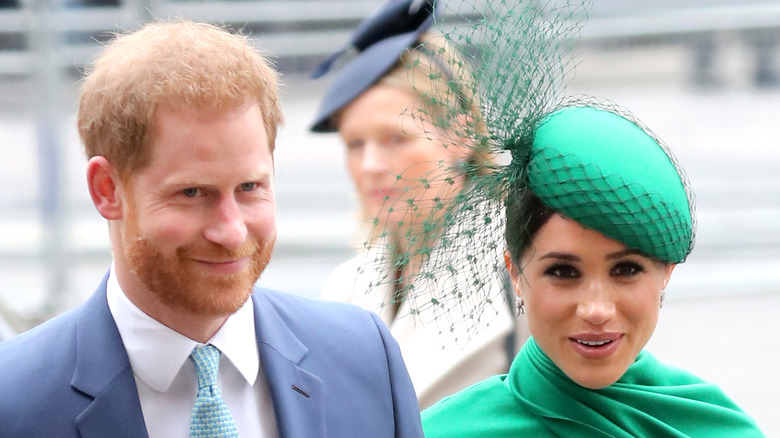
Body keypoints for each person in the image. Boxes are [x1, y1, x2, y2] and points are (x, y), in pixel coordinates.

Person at [0, 21, 424, 438]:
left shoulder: (364, 357)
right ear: (107, 190)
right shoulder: (15, 400)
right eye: (192, 193)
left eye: (249, 187)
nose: (232, 231)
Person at [419, 102, 766, 437]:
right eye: (563, 272)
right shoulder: (438, 432)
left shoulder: (718, 428)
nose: (596, 310)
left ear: (667, 270)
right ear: (514, 274)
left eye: (626, 269)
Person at [310, 0, 528, 409]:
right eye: (355, 145)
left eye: (397, 139)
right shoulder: (345, 286)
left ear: (461, 137)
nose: (371, 165)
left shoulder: (526, 271)